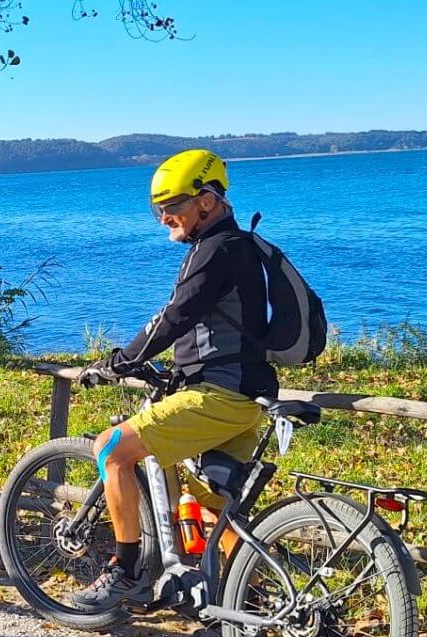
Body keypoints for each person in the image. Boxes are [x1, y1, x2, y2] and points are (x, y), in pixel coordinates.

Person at [70, 149, 279, 611]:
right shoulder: (239, 247)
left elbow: (175, 316)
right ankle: (248, 611)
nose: (164, 217)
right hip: (246, 394)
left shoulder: (216, 250)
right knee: (212, 506)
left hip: (217, 395)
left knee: (111, 449)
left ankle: (124, 572)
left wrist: (119, 361)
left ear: (206, 201)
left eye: (173, 206)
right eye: (157, 209)